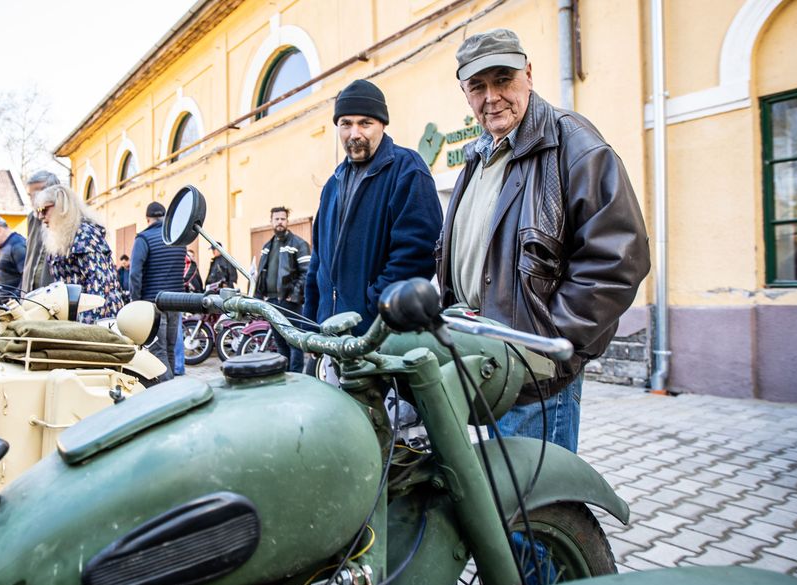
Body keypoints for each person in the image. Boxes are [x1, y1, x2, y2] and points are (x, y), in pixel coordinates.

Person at [435, 29, 650, 452]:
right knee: (499, 501)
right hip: (487, 365)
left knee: (537, 511)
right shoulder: (479, 156)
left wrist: (548, 345)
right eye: (478, 86)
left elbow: (619, 257)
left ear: (528, 75)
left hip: (536, 374)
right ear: (465, 93)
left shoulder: (571, 141)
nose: (492, 96)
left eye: (503, 79)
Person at [303, 79, 444, 334]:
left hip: (380, 335)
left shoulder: (408, 170)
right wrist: (312, 320)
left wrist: (375, 306)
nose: (354, 133)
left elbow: (419, 252)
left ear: (382, 125)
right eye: (346, 124)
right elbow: (318, 261)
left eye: (365, 123)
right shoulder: (331, 185)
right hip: (331, 332)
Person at [34, 185, 125, 324]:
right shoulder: (63, 238)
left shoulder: (85, 235)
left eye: (44, 210)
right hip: (75, 319)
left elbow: (100, 283)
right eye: (38, 211)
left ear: (62, 207)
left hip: (97, 318)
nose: (40, 216)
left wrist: (86, 327)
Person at [130, 201, 185, 381]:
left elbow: (135, 274)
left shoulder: (143, 239)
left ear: (148, 219)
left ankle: (168, 392)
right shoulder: (177, 239)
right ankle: (173, 387)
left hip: (154, 304)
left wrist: (135, 302)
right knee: (170, 348)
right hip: (176, 301)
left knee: (157, 350)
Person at [254, 206, 311, 372]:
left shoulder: (299, 244)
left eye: (283, 219)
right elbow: (261, 273)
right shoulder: (267, 246)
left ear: (287, 221)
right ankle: (285, 377)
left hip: (289, 303)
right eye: (276, 219)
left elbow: (306, 273)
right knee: (280, 343)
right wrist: (259, 298)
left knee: (294, 343)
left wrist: (292, 296)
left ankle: (296, 379)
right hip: (271, 302)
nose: (280, 222)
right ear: (271, 221)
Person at [21, 171, 60, 293]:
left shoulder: (68, 219)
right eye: (30, 195)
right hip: (31, 295)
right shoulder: (32, 219)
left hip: (55, 297)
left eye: (37, 193)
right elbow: (30, 259)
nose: (33, 199)